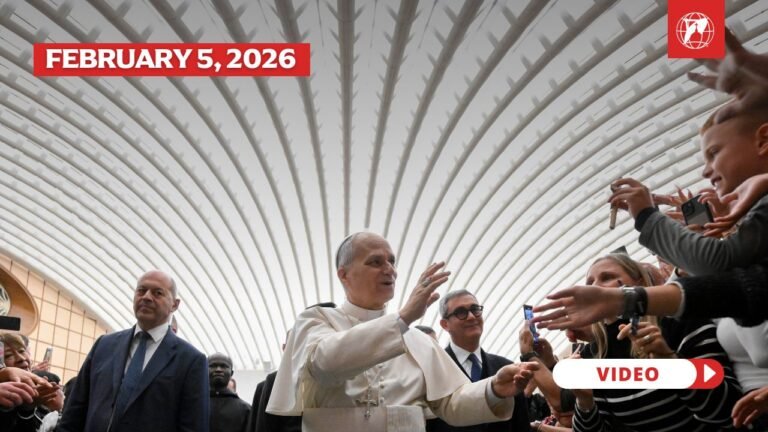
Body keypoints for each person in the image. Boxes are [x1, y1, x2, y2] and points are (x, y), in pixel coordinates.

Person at [266, 232, 537, 432]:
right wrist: (404, 317)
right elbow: (325, 363)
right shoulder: (316, 321)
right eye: (375, 262)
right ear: (344, 274)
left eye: (392, 261)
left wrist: (493, 389)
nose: (390, 270)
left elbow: (450, 404)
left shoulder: (417, 340)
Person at [562, 255, 741, 432]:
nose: (594, 287)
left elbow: (729, 410)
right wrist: (584, 401)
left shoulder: (678, 323)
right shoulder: (594, 355)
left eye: (607, 277)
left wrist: (669, 362)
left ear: (637, 284)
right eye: (589, 283)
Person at [57, 270, 209, 432]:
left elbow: (194, 426)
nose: (147, 297)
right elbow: (75, 410)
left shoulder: (191, 361)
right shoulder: (104, 345)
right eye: (141, 291)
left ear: (175, 304)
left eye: (158, 293)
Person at [426, 289, 529, 432]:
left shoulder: (507, 367)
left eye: (475, 309)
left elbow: (521, 425)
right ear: (445, 324)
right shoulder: (433, 368)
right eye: (461, 312)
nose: (471, 317)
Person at [0, 333, 62, 432]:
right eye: (8, 355)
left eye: (22, 351)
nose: (21, 358)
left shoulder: (39, 393)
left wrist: (58, 410)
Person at [208, 353, 249, 432]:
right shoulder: (193, 406)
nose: (218, 369)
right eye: (213, 366)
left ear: (231, 373)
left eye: (224, 366)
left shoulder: (246, 410)